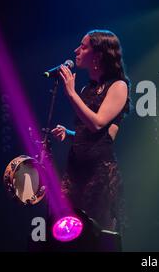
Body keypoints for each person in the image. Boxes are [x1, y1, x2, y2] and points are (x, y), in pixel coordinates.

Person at [51, 29, 130, 233]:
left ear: (98, 55)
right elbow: (91, 134)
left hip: (98, 174)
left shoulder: (118, 86)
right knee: (66, 231)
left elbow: (98, 124)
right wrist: (69, 133)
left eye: (83, 46)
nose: (76, 50)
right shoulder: (87, 90)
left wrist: (70, 92)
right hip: (76, 170)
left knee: (94, 236)